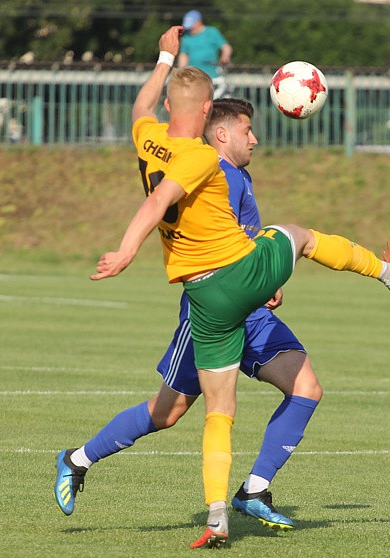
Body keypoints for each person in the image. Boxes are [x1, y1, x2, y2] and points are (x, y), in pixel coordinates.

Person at [90, 26, 390, 549]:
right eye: (244, 128)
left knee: (243, 405)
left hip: (211, 293)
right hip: (233, 280)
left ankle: (224, 510)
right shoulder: (201, 159)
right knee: (302, 237)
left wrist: (162, 57)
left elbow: (139, 111)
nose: (254, 139)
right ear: (208, 120)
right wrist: (127, 250)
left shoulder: (148, 141)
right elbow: (157, 204)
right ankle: (389, 273)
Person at [54, 98, 320, 534]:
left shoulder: (239, 175)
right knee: (168, 412)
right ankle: (77, 459)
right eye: (247, 129)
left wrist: (263, 279)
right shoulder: (207, 170)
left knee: (306, 388)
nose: (255, 138)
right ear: (221, 133)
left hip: (249, 308)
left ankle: (253, 490)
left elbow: (243, 236)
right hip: (209, 312)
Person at [178, 10, 232, 99]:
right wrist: (181, 73)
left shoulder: (212, 32)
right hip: (194, 78)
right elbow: (183, 56)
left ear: (199, 22)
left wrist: (225, 57)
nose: (190, 29)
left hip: (213, 76)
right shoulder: (186, 37)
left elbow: (226, 48)